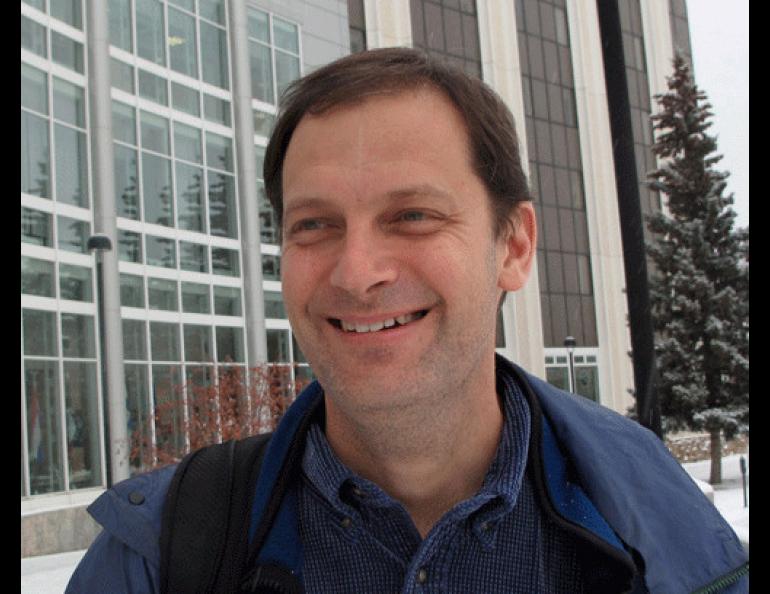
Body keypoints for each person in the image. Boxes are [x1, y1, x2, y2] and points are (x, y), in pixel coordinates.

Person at [67, 47, 748, 593]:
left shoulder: (667, 537)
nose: (357, 271)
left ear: (513, 246)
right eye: (316, 225)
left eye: (412, 216)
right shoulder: (163, 554)